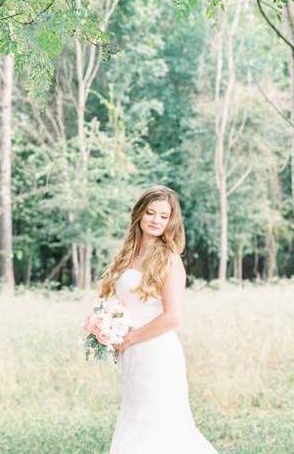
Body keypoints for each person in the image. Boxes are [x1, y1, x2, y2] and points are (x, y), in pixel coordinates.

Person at [99, 185, 218, 453]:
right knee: (135, 422)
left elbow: (173, 317)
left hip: (156, 353)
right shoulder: (128, 255)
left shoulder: (169, 259)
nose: (155, 220)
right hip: (132, 356)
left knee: (160, 426)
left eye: (163, 216)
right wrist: (107, 326)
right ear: (139, 214)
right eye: (151, 213)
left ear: (171, 220)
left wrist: (129, 338)